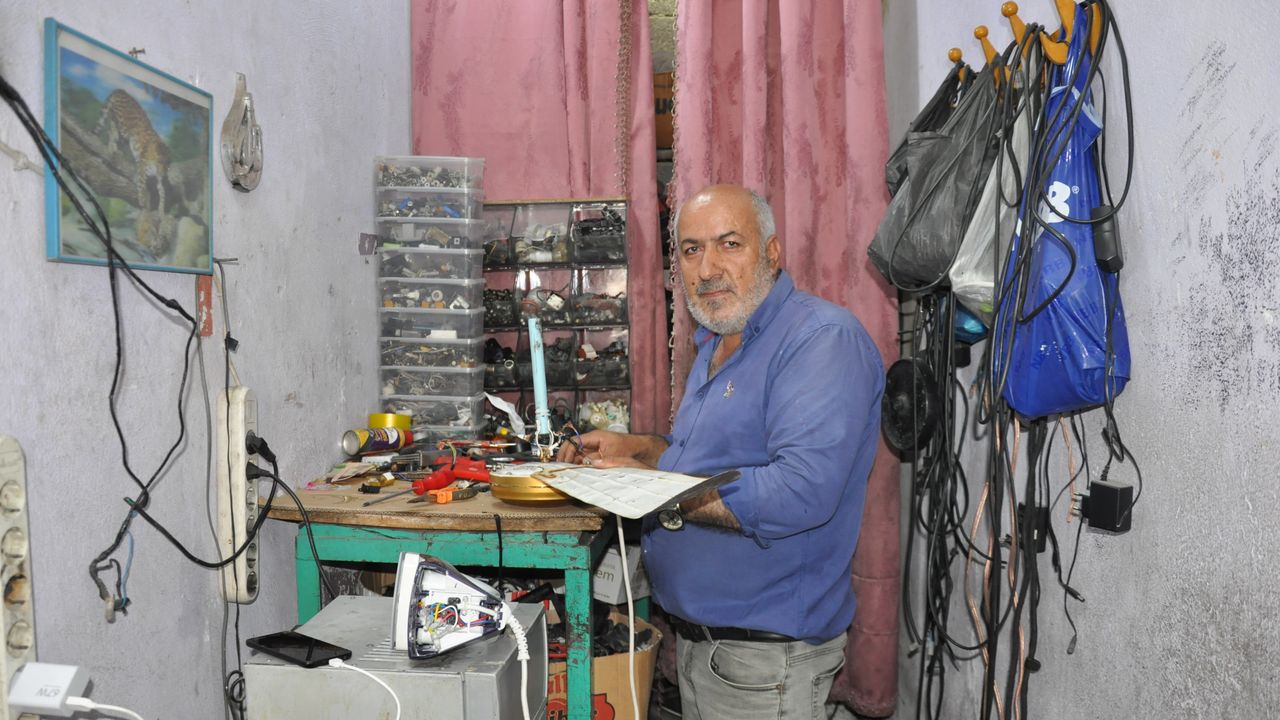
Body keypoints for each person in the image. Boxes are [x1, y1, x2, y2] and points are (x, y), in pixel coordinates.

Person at [558, 184, 883, 720]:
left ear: (772, 253)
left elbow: (800, 492)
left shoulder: (820, 340)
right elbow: (706, 462)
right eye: (691, 250)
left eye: (729, 244)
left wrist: (646, 489)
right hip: (709, 649)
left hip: (766, 663)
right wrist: (640, 450)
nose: (707, 268)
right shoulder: (719, 340)